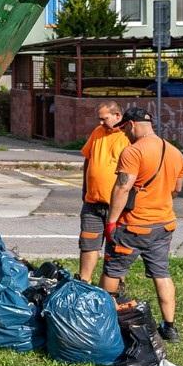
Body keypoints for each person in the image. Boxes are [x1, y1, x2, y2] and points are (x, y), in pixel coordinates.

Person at [100, 104, 183, 341]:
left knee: (113, 269)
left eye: (125, 129)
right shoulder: (175, 152)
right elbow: (176, 189)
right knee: (162, 274)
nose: (125, 134)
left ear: (131, 125)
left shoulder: (133, 152)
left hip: (133, 226)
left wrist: (111, 222)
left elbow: (122, 187)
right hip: (164, 225)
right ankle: (169, 327)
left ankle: (101, 319)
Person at [77, 101, 130, 279]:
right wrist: (85, 190)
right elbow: (88, 159)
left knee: (116, 247)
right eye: (99, 119)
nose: (100, 123)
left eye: (104, 119)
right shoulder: (98, 132)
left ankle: (114, 288)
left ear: (117, 116)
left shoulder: (128, 136)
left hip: (116, 205)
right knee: (88, 243)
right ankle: (84, 282)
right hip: (92, 202)